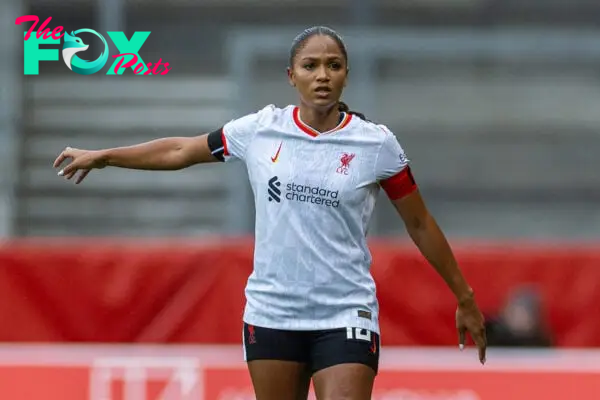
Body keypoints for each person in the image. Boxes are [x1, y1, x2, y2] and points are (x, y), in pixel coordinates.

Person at [53, 26, 487, 400]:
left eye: (333, 66)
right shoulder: (260, 130)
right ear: (291, 76)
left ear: (346, 76)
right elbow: (182, 150)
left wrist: (464, 296)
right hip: (273, 311)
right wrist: (106, 156)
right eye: (311, 65)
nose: (322, 75)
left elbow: (419, 222)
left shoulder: (376, 144)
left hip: (345, 309)